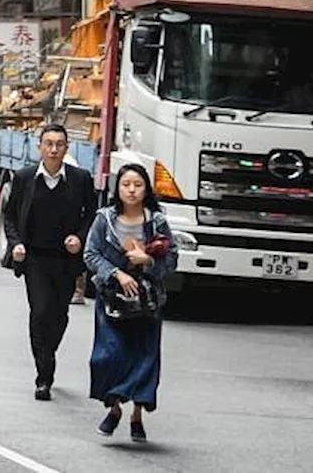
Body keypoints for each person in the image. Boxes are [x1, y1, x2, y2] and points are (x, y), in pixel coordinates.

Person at [2, 123, 98, 401]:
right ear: (40, 147)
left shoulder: (80, 179)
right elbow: (9, 215)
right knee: (40, 311)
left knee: (59, 315)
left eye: (59, 144)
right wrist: (16, 243)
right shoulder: (24, 178)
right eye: (48, 144)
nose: (54, 149)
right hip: (35, 258)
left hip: (66, 261)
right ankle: (44, 375)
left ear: (67, 148)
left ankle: (48, 352)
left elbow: (92, 214)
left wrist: (80, 238)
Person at [84, 163, 177, 443]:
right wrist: (116, 273)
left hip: (148, 301)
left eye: (138, 184)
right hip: (112, 299)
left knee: (144, 356)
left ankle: (137, 415)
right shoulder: (105, 219)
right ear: (118, 188)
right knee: (107, 356)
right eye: (126, 184)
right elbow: (91, 254)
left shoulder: (157, 222)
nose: (132, 190)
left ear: (147, 188)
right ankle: (113, 409)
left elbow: (171, 259)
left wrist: (148, 261)